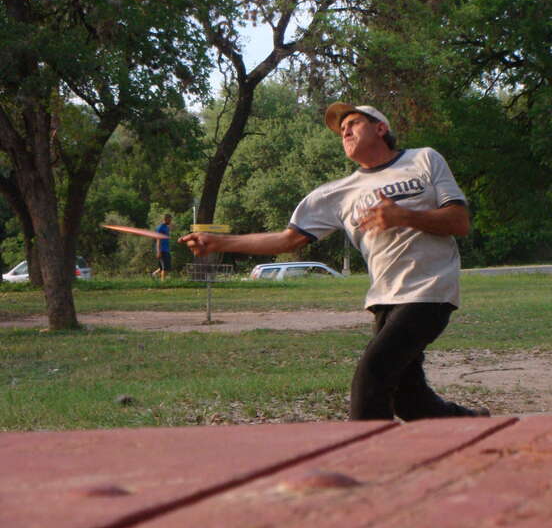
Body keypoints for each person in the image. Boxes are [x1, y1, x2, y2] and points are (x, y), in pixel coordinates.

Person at [180, 103, 488, 421]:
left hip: (430, 290)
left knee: (372, 375)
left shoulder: (423, 159)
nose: (346, 132)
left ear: (381, 128)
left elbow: (459, 221)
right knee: (409, 399)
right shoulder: (338, 193)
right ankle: (470, 423)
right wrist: (221, 242)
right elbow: (288, 240)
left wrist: (404, 215)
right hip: (384, 299)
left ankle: (366, 460)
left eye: (353, 123)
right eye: (342, 131)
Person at [154, 214, 172, 281]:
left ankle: (154, 275)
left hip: (166, 250)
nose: (171, 221)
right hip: (162, 250)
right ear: (166, 219)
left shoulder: (166, 227)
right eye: (170, 219)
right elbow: (158, 239)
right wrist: (158, 251)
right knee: (165, 268)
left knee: (164, 267)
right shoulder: (160, 228)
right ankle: (163, 282)